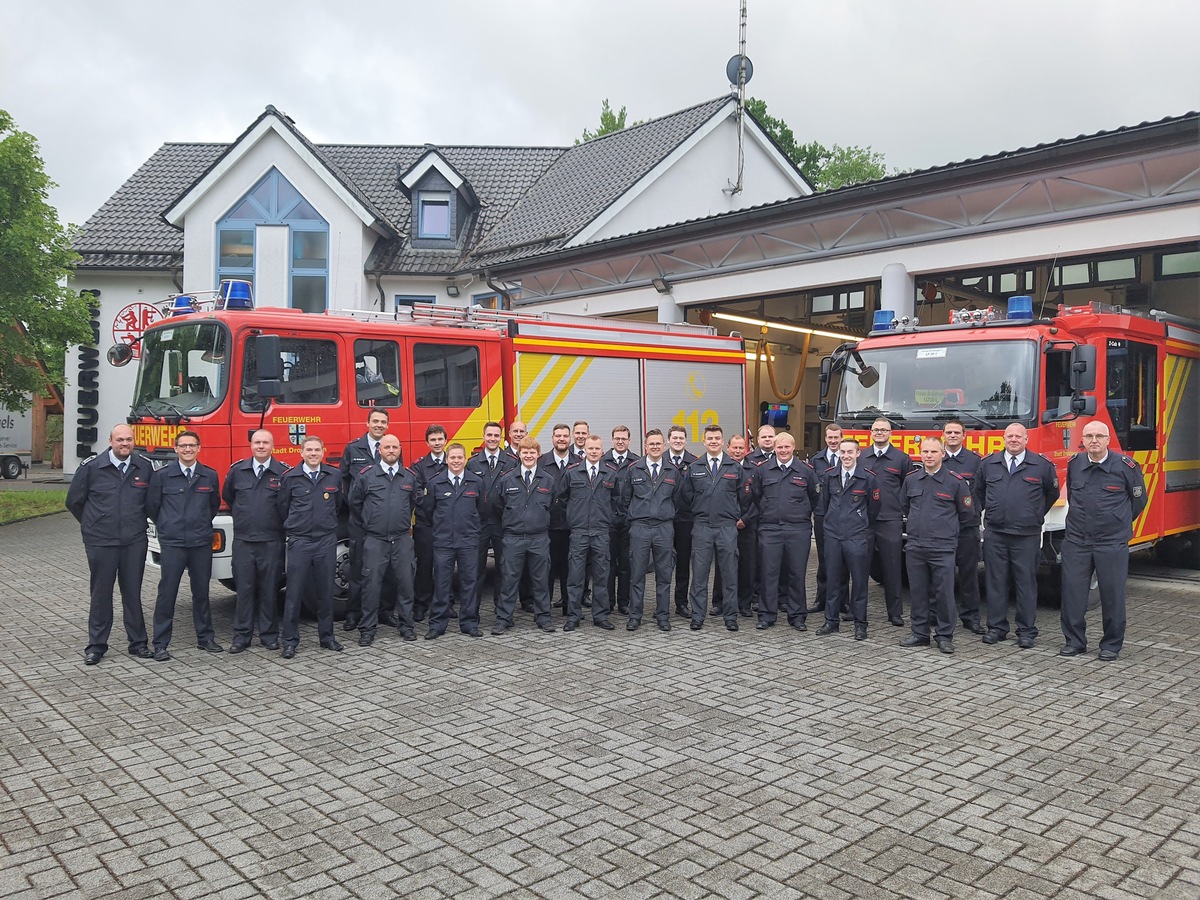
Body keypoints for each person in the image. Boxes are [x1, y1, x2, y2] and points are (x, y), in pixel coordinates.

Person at [66, 423, 154, 665]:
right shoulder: (92, 467)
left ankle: (138, 643)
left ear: (133, 441)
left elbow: (151, 503)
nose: (124, 444)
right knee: (101, 594)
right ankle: (96, 645)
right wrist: (92, 525)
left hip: (133, 541)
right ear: (110, 441)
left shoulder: (144, 467)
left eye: (128, 439)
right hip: (101, 542)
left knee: (132, 593)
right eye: (119, 440)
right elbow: (74, 501)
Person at [1059, 421, 1147, 661]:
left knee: (1112, 595)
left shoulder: (1125, 466)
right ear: (1083, 440)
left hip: (1111, 542)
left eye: (1099, 436)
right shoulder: (1075, 464)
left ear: (1108, 439)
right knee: (1072, 594)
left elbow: (1138, 501)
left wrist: (1117, 522)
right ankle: (1075, 642)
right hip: (1077, 540)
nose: (1094, 440)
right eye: (1089, 436)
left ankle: (1111, 645)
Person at [976, 423, 1059, 649]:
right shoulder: (988, 464)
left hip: (1026, 535)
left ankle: (1026, 631)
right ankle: (996, 628)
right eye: (1010, 436)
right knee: (995, 582)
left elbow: (1051, 493)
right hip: (996, 534)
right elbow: (979, 492)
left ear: (1026, 439)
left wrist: (1032, 514)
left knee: (1026, 584)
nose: (1013, 440)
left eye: (1018, 436)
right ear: (1003, 438)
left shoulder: (1041, 465)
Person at [147, 430, 222, 660]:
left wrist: (198, 525)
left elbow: (213, 505)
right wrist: (169, 526)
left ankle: (205, 638)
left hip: (200, 542)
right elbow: (152, 507)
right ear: (175, 448)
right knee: (167, 593)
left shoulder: (209, 475)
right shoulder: (162, 476)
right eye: (183, 446)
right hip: (173, 543)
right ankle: (160, 643)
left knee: (201, 592)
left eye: (192, 445)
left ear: (199, 448)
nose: (187, 449)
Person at [900, 437, 975, 654]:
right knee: (918, 593)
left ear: (942, 454)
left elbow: (966, 513)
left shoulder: (955, 482)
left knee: (944, 594)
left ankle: (944, 636)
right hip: (916, 546)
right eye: (925, 452)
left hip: (943, 548)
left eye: (933, 452)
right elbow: (904, 505)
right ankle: (920, 633)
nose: (929, 456)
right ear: (920, 453)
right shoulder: (911, 480)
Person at [679, 424, 753, 632]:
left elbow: (745, 496)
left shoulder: (735, 468)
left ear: (723, 442)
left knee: (729, 574)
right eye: (709, 438)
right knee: (699, 575)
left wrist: (733, 514)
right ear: (704, 441)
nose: (713, 441)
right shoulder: (695, 468)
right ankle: (697, 616)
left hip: (726, 527)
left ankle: (730, 616)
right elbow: (686, 496)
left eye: (717, 438)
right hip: (702, 527)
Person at [349, 433, 419, 645]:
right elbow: (355, 503)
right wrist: (371, 523)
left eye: (395, 447)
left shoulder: (408, 477)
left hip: (401, 540)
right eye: (387, 447)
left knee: (406, 585)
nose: (391, 451)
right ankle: (367, 629)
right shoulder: (366, 476)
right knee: (371, 586)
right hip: (375, 540)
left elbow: (413, 503)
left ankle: (406, 626)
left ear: (400, 450)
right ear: (379, 450)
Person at [221, 429, 287, 652]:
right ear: (251, 445)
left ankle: (269, 636)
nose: (261, 446)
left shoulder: (283, 473)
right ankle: (241, 636)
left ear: (273, 446)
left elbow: (286, 505)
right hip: (244, 541)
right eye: (257, 442)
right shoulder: (238, 471)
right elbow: (229, 497)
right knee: (244, 590)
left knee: (270, 590)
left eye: (265, 442)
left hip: (271, 541)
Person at [278, 436, 344, 658]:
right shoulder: (290, 478)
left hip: (325, 540)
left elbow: (337, 505)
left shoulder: (334, 475)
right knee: (294, 592)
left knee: (325, 592)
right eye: (309, 450)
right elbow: (282, 507)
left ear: (323, 451)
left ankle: (327, 638)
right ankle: (289, 641)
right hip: (300, 541)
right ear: (301, 453)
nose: (314, 453)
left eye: (317, 449)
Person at [816, 438, 881, 641]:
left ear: (858, 453)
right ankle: (831, 621)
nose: (845, 456)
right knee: (833, 580)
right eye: (843, 452)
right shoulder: (830, 476)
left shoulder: (868, 478)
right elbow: (824, 505)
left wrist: (859, 522)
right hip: (834, 535)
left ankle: (860, 624)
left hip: (857, 536)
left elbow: (874, 508)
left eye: (850, 452)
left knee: (860, 582)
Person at [753, 432, 818, 630]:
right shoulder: (763, 470)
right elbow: (757, 496)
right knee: (768, 574)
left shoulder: (806, 471)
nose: (783, 451)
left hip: (798, 529)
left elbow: (814, 498)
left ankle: (797, 616)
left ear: (793, 447)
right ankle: (766, 615)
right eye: (779, 447)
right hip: (770, 529)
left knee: (796, 574)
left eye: (786, 447)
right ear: (774, 448)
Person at [493, 437, 558, 634]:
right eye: (524, 452)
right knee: (509, 579)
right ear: (519, 454)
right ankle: (504, 619)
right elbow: (498, 505)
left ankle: (543, 617)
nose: (528, 455)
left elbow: (552, 505)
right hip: (513, 538)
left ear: (538, 454)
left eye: (532, 452)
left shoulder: (548, 480)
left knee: (540, 580)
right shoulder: (507, 479)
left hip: (538, 537)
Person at [421, 442, 485, 638]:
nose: (456, 461)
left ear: (465, 460)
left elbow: (481, 510)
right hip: (444, 541)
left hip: (468, 541)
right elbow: (428, 510)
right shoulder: (435, 483)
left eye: (460, 457)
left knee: (469, 583)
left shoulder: (476, 482)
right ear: (446, 459)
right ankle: (437, 625)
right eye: (452, 457)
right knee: (441, 583)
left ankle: (469, 623)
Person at [340, 409, 391, 631]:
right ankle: (354, 613)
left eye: (383, 422)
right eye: (375, 421)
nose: (379, 425)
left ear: (387, 425)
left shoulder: (392, 447)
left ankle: (385, 611)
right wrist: (354, 506)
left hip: (384, 523)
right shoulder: (353, 449)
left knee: (386, 569)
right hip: (359, 522)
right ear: (367, 423)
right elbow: (343, 480)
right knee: (358, 567)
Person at [623, 429, 679, 632]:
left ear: (664, 446)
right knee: (637, 574)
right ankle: (635, 615)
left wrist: (666, 513)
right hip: (640, 528)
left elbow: (678, 499)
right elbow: (625, 498)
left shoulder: (673, 471)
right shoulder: (634, 469)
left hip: (664, 528)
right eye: (651, 444)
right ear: (645, 446)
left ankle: (663, 616)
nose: (655, 446)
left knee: (664, 575)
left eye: (658, 443)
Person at [563, 434, 618, 632]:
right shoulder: (572, 473)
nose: (593, 452)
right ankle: (573, 616)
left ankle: (600, 616)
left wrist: (608, 520)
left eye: (597, 449)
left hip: (601, 532)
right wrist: (572, 519)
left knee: (601, 576)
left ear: (602, 451)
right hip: (578, 533)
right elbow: (562, 498)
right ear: (583, 450)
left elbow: (617, 501)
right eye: (590, 448)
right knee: (575, 577)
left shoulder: (610, 474)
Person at [861, 417, 910, 627]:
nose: (879, 433)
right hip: (863, 520)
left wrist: (901, 512)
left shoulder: (901, 458)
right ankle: (858, 612)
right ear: (871, 433)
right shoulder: (861, 456)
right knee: (861, 568)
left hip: (890, 520)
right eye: (876, 430)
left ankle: (895, 613)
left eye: (883, 430)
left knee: (892, 568)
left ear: (890, 433)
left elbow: (908, 488)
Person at [941, 419, 986, 635]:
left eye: (956, 432)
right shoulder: (935, 459)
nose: (952, 436)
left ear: (964, 435)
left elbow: (981, 492)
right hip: (941, 528)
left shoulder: (975, 461)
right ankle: (939, 615)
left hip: (966, 526)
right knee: (940, 574)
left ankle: (970, 617)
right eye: (948, 432)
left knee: (969, 574)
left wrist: (973, 513)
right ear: (943, 435)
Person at [469, 422, 515, 615]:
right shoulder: (472, 463)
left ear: (501, 437)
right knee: (476, 570)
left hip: (502, 523)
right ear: (483, 436)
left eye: (497, 435)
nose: (493, 439)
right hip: (479, 524)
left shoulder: (511, 462)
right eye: (489, 435)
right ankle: (473, 612)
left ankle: (503, 612)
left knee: (504, 570)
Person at [712, 433, 758, 618]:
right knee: (723, 565)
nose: (738, 451)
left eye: (741, 448)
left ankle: (744, 604)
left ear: (746, 450)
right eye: (735, 447)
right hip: (725, 524)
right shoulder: (721, 468)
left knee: (747, 566)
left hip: (747, 525)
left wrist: (745, 519)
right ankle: (719, 602)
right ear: (728, 448)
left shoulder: (754, 470)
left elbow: (758, 499)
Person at [411, 425, 448, 623]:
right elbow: (418, 495)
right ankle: (421, 605)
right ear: (427, 443)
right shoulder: (419, 466)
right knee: (425, 566)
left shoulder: (453, 462)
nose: (437, 443)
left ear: (445, 441)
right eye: (433, 440)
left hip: (448, 525)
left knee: (446, 565)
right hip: (426, 524)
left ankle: (445, 603)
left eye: (440, 439)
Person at [808, 423, 845, 618]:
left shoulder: (850, 458)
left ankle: (843, 601)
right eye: (829, 438)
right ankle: (821, 599)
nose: (833, 441)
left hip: (843, 516)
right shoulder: (817, 460)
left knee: (844, 559)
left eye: (836, 438)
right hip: (823, 515)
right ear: (825, 438)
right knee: (823, 558)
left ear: (841, 437)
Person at [602, 424, 638, 615]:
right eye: (617, 438)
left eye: (624, 438)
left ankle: (624, 602)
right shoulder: (602, 460)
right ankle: (607, 602)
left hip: (628, 521)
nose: (620, 441)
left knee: (626, 563)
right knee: (608, 563)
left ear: (629, 441)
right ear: (612, 439)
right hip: (608, 521)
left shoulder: (637, 462)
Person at [540, 423, 576, 612]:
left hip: (573, 527)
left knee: (570, 570)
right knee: (547, 570)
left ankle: (569, 608)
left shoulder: (579, 462)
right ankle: (545, 610)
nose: (561, 439)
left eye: (564, 436)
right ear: (552, 438)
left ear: (569, 439)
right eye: (557, 435)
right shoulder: (540, 462)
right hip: (549, 526)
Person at [666, 425, 696, 617]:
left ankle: (681, 603)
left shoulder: (694, 462)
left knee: (683, 564)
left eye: (681, 438)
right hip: (664, 520)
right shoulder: (659, 460)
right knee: (663, 564)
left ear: (685, 440)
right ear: (668, 440)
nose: (677, 441)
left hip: (686, 520)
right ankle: (662, 604)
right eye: (674, 438)